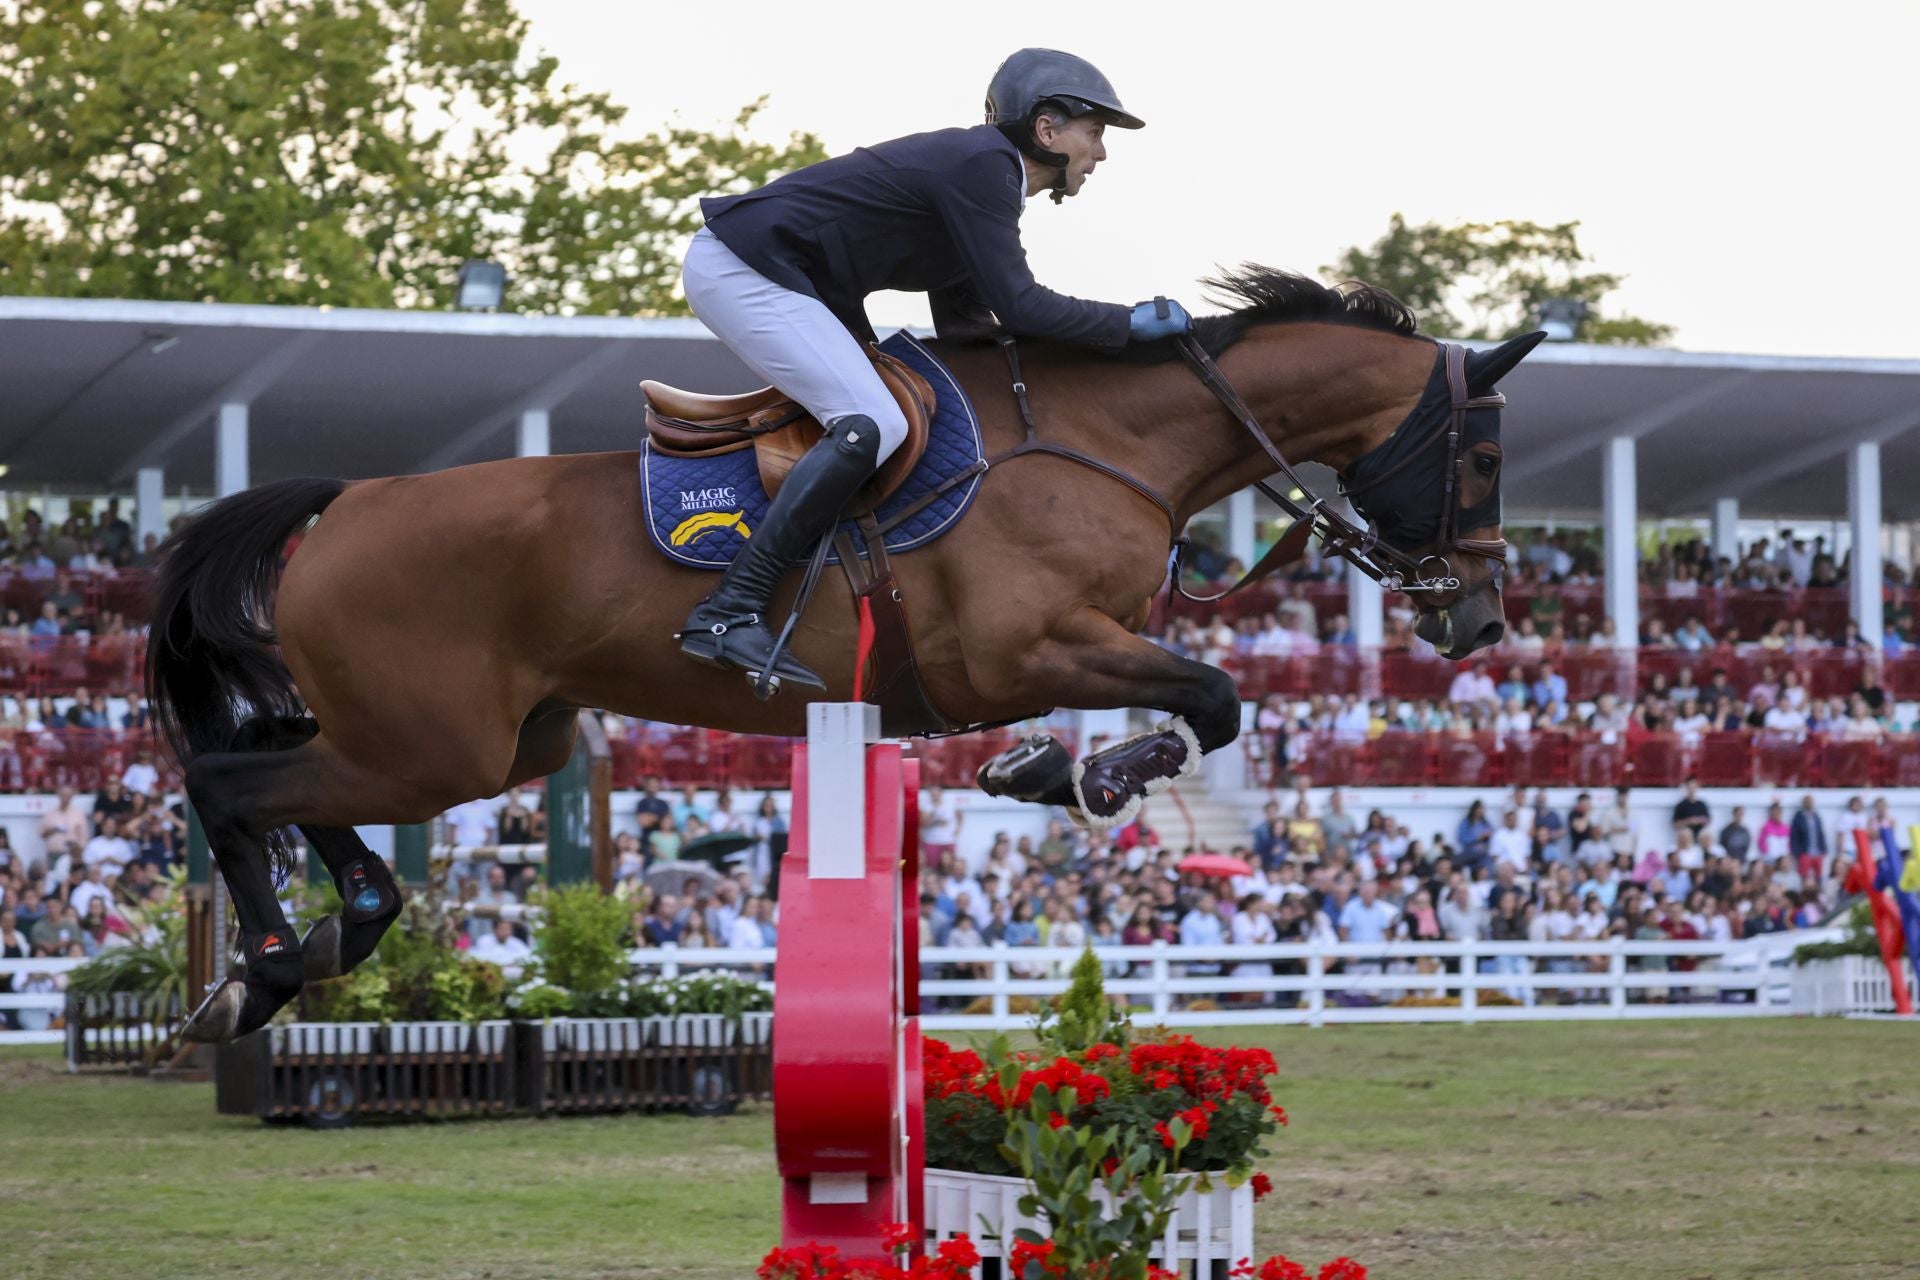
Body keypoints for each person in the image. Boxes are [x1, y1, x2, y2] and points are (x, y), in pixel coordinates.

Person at [674, 49, 1190, 691]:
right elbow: (1023, 306)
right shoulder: (984, 167)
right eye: (1095, 132)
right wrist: (1127, 325)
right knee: (872, 422)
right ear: (1047, 129)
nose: (1102, 153)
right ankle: (729, 609)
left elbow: (970, 332)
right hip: (743, 268)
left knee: (897, 412)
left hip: (776, 275)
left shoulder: (983, 180)